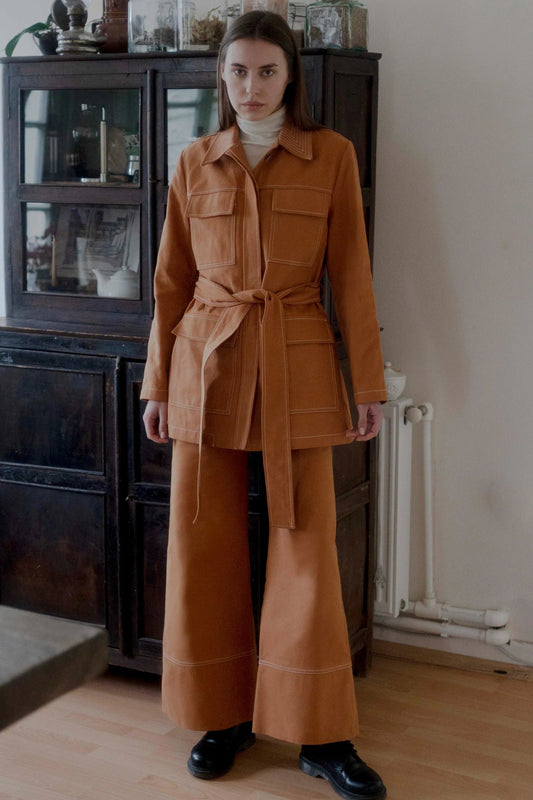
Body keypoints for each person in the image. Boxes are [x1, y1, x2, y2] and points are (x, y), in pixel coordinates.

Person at [141, 11, 387, 800]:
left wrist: (370, 386)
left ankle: (322, 735)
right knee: (204, 544)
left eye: (266, 72)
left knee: (309, 547)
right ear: (221, 77)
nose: (251, 87)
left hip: (300, 367)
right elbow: (169, 284)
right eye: (238, 71)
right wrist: (155, 386)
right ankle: (222, 717)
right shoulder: (192, 162)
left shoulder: (331, 157)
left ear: (291, 77)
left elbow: (350, 276)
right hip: (204, 370)